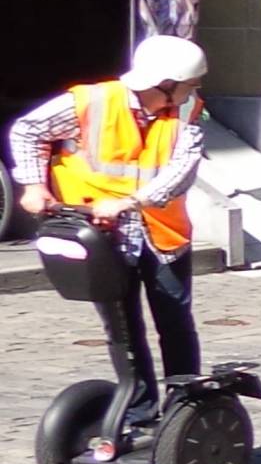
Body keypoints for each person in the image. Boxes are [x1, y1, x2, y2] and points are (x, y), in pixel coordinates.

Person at [9, 35, 209, 421]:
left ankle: (185, 409)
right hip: (99, 235)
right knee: (121, 325)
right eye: (188, 86)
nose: (192, 93)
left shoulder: (188, 115)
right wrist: (34, 184)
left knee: (174, 322)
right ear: (165, 84)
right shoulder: (91, 102)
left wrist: (129, 202)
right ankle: (137, 410)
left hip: (160, 235)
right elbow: (28, 131)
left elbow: (180, 173)